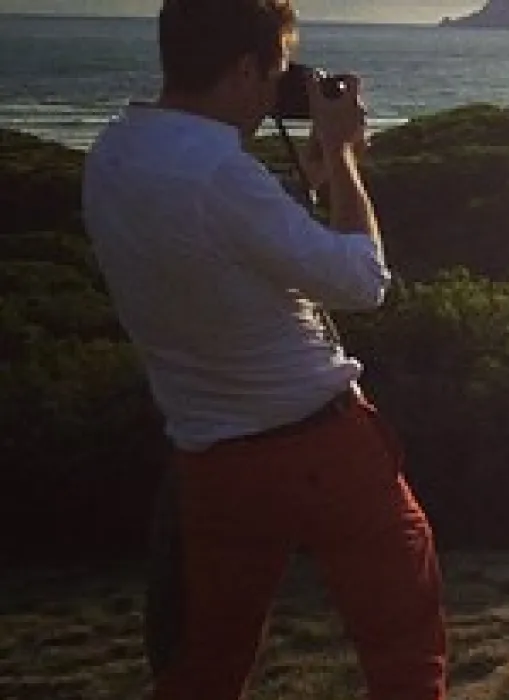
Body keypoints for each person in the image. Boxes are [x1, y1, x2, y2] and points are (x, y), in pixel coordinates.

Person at [79, 1, 448, 698]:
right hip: (320, 447)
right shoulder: (221, 172)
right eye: (275, 71)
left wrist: (305, 179)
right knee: (406, 651)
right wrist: (341, 157)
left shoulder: (113, 155)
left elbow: (218, 249)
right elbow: (362, 282)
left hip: (210, 459)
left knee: (203, 668)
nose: (279, 88)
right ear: (246, 67)